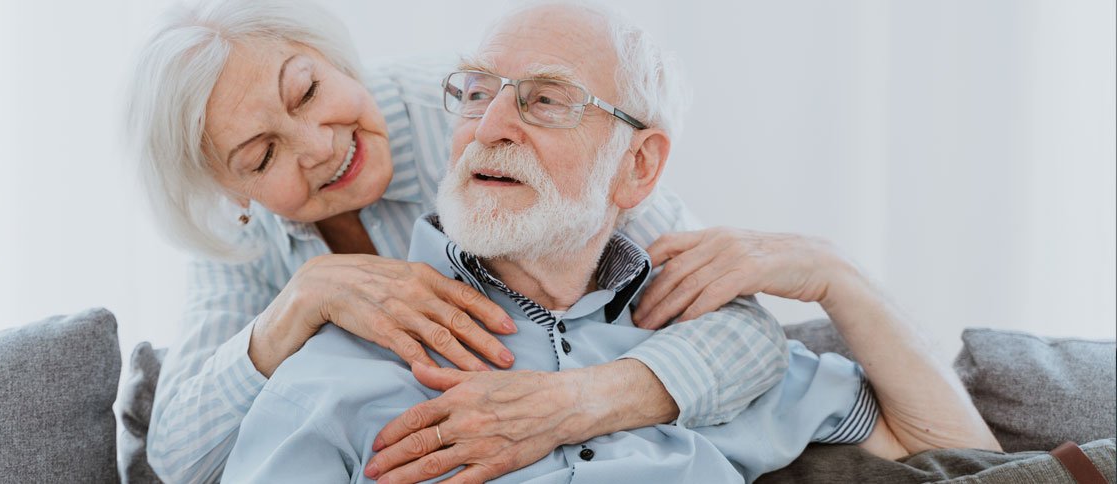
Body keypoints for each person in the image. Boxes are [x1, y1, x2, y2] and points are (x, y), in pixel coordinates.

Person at [220, 3, 1002, 482]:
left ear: (638, 165)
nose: (491, 125)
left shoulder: (700, 354)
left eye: (546, 99)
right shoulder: (334, 376)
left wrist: (839, 278)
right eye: (476, 92)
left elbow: (964, 458)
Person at [127, 0, 794, 482]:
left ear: (335, 59)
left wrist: (567, 406)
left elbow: (746, 331)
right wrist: (300, 303)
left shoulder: (475, 112)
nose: (320, 146)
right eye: (261, 155)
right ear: (234, 194)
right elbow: (178, 458)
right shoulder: (243, 243)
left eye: (307, 91)